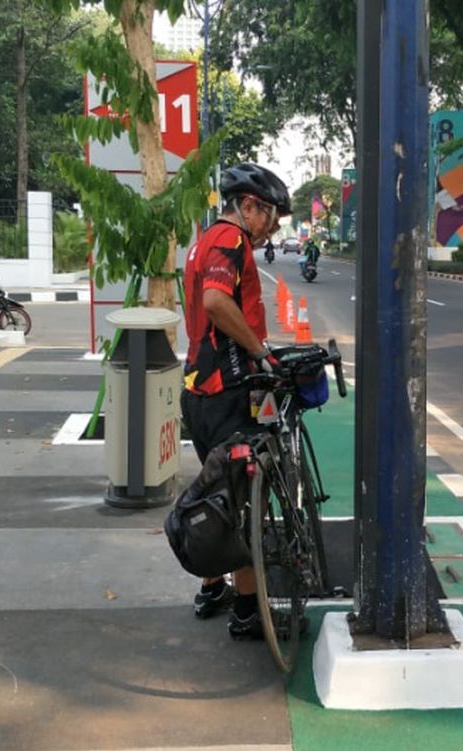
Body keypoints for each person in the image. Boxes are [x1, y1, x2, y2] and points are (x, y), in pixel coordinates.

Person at [181, 162, 290, 640]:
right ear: (248, 206)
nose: (273, 228)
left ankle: (211, 588)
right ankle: (247, 608)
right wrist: (260, 351)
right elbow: (216, 303)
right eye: (270, 216)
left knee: (215, 492)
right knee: (244, 500)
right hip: (227, 394)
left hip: (199, 392)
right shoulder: (230, 240)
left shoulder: (201, 241)